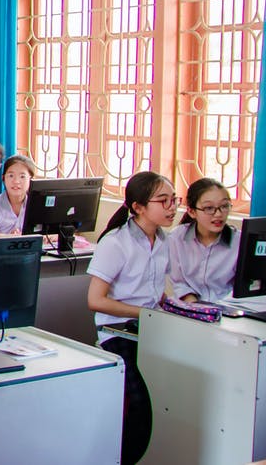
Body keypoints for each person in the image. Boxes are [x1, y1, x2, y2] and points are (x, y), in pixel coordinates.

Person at [86, 171, 178, 465]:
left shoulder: (165, 241)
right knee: (141, 405)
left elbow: (154, 291)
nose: (172, 207)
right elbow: (95, 300)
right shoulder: (116, 242)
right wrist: (144, 313)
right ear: (138, 207)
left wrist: (172, 306)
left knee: (178, 389)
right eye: (163, 201)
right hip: (118, 333)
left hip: (151, 328)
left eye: (174, 200)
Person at [168, 178, 238, 303]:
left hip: (228, 309)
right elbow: (180, 284)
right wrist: (197, 309)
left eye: (224, 206)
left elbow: (243, 288)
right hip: (190, 308)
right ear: (192, 211)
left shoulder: (239, 242)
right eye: (209, 208)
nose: (218, 214)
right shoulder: (176, 238)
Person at [0, 155, 38, 235]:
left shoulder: (36, 205)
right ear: (3, 178)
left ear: (31, 179)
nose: (16, 181)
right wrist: (9, 238)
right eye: (11, 176)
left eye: (22, 176)